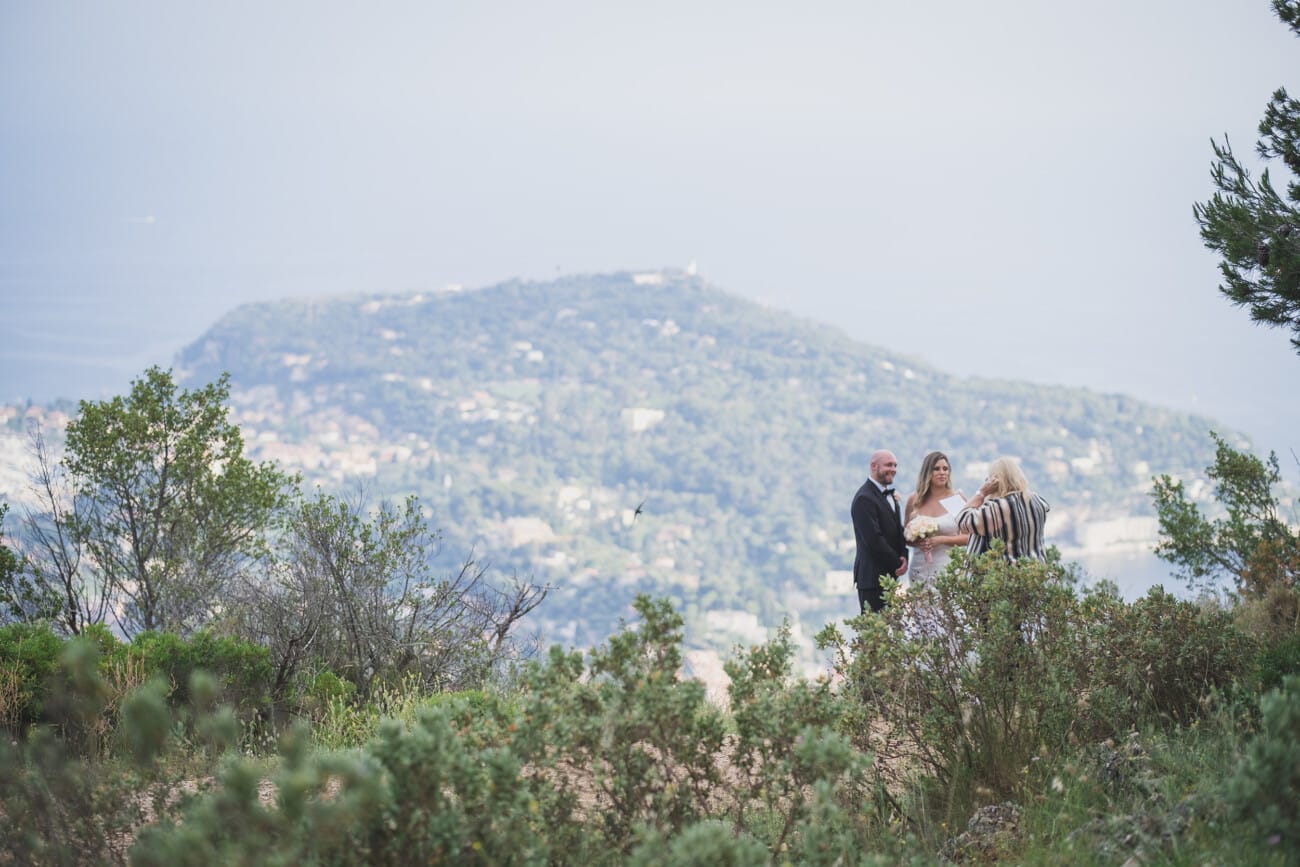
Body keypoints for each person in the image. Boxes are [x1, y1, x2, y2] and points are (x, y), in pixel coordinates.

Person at [957, 456, 1050, 561]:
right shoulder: (1037, 500)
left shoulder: (999, 507)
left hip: (1005, 574)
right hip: (1035, 571)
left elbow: (962, 520)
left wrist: (982, 492)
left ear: (994, 482)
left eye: (988, 479)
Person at [851, 449, 909, 613]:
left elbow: (898, 530)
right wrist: (897, 563)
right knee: (874, 633)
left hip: (889, 577)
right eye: (888, 465)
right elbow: (874, 540)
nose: (893, 469)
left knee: (889, 632)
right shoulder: (864, 498)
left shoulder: (890, 496)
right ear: (874, 466)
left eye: (895, 465)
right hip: (872, 579)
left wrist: (904, 554)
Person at [903, 451, 970, 587]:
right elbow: (905, 538)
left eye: (945, 469)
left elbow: (969, 537)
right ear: (927, 472)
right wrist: (918, 542)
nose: (942, 472)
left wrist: (941, 540)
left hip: (948, 568)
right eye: (936, 469)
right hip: (919, 569)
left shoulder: (956, 499)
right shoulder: (914, 500)